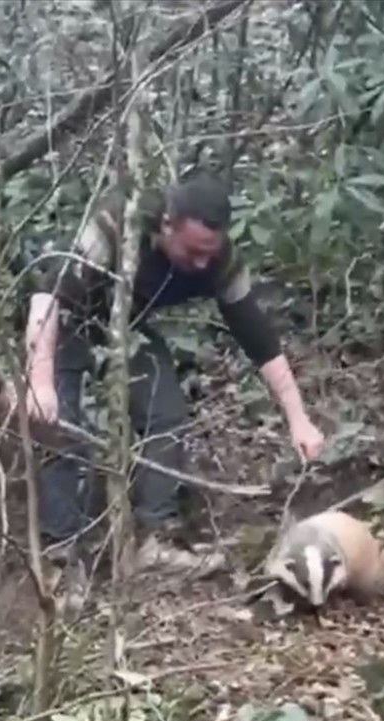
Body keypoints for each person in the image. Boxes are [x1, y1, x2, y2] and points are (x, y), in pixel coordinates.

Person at [22, 170, 326, 582]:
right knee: (58, 423)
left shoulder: (220, 260)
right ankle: (62, 558)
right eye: (192, 251)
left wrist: (298, 418)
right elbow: (50, 292)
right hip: (67, 320)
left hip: (125, 327)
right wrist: (40, 381)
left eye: (209, 252)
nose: (201, 263)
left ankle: (153, 540)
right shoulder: (119, 223)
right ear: (167, 226)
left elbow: (257, 335)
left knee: (165, 414)